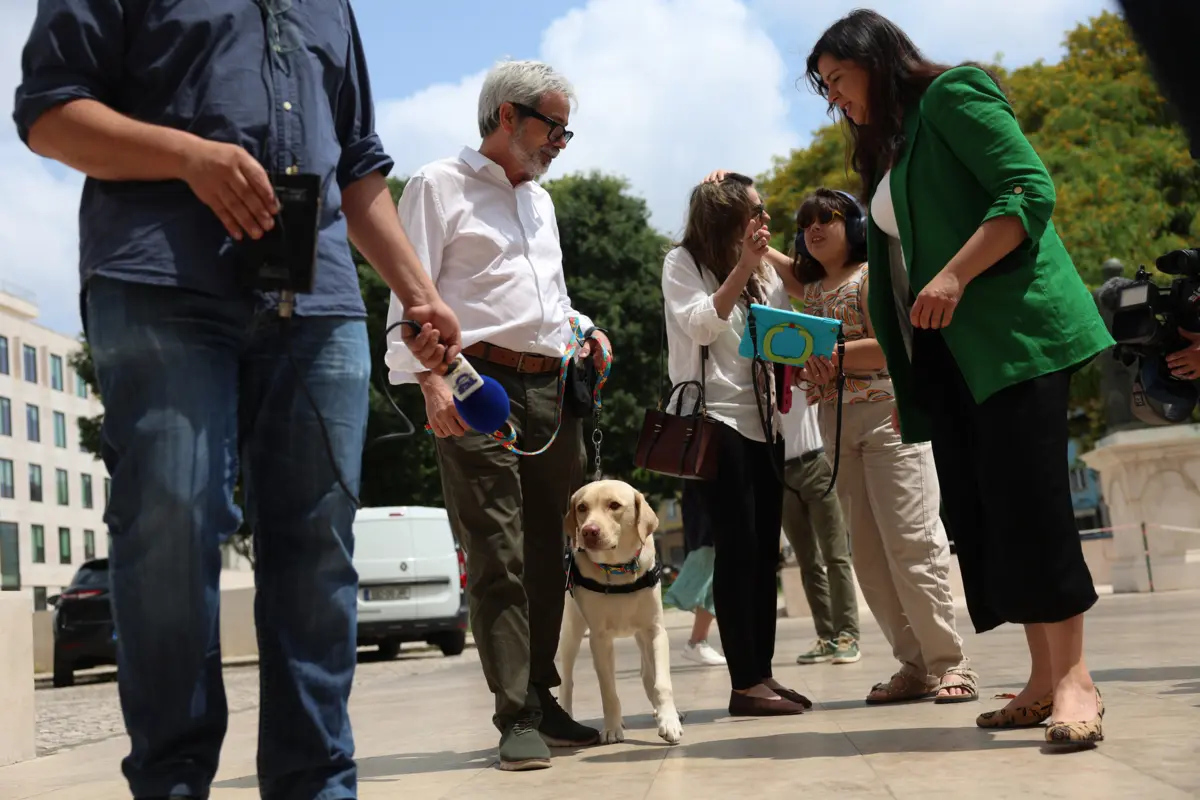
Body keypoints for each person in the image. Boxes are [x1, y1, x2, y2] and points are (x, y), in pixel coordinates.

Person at [12, 1, 460, 797]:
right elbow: (50, 114)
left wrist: (418, 293)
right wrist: (189, 157)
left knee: (319, 548)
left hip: (318, 299)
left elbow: (356, 162)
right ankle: (172, 783)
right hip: (161, 282)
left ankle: (317, 785)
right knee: (173, 529)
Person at [807, 9, 1116, 745]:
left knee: (1032, 505)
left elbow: (1027, 189)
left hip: (1011, 336)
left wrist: (953, 274)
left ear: (875, 59)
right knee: (989, 515)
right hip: (944, 355)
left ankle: (1077, 682)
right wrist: (913, 375)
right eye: (824, 88)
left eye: (838, 79)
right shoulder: (888, 145)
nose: (834, 97)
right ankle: (1041, 681)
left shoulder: (953, 94)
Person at [384, 59, 610, 771]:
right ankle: (516, 717)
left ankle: (541, 698)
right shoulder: (435, 185)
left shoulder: (541, 203)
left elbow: (547, 303)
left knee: (550, 554)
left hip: (554, 390)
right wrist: (431, 384)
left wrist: (585, 330)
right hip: (475, 386)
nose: (561, 144)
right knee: (497, 555)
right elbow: (407, 304)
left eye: (568, 132)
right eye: (553, 128)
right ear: (507, 115)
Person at [788, 189, 974, 704]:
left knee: (913, 544)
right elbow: (779, 268)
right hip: (835, 425)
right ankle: (914, 666)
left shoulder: (871, 275)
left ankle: (951, 663)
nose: (814, 229)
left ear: (854, 225)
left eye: (826, 218)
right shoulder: (813, 292)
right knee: (868, 557)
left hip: (889, 419)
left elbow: (891, 349)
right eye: (805, 223)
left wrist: (831, 354)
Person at [661, 173, 809, 716]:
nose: (765, 218)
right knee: (737, 551)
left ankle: (761, 674)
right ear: (727, 216)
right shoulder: (683, 263)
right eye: (755, 210)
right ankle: (744, 683)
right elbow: (701, 327)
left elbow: (799, 294)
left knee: (764, 554)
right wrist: (744, 264)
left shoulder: (764, 268)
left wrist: (759, 258)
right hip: (715, 421)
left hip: (766, 422)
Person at [778, 388, 861, 667]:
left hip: (816, 463)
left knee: (835, 556)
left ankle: (848, 635)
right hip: (780, 472)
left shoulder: (799, 369)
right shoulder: (759, 377)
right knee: (807, 563)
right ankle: (826, 636)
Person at [663, 481, 726, 668]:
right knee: (712, 569)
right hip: (709, 493)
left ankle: (700, 642)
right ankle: (697, 642)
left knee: (716, 572)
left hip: (709, 492)